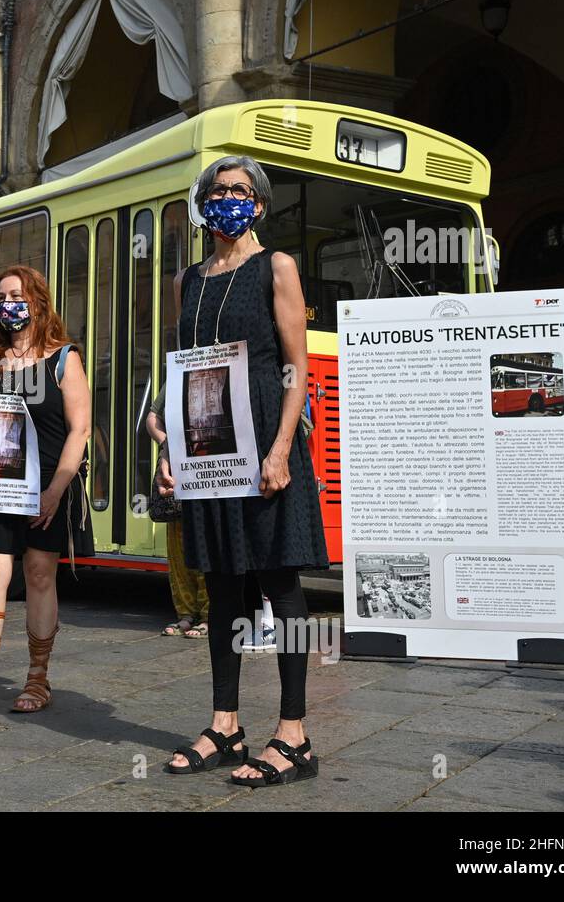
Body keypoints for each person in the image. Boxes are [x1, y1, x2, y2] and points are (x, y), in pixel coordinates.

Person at [158, 156, 328, 787]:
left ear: (259, 204)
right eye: (218, 191)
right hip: (210, 445)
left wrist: (281, 448)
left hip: (262, 440)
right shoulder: (190, 279)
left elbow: (295, 367)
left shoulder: (275, 268)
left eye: (241, 191)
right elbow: (186, 367)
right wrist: (169, 445)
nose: (229, 199)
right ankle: (225, 724)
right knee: (226, 582)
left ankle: (294, 734)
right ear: (204, 204)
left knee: (279, 582)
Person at [0, 266, 93, 721]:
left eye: (18, 294)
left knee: (41, 577)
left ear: (38, 301)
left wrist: (55, 491)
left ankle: (37, 678)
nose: (10, 303)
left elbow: (80, 428)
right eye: (2, 296)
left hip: (46, 485)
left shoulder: (64, 358)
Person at [146, 394, 210, 638]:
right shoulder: (180, 371)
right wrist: (169, 445)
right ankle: (186, 614)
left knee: (206, 545)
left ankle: (208, 616)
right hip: (180, 469)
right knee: (179, 548)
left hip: (212, 470)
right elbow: (153, 417)